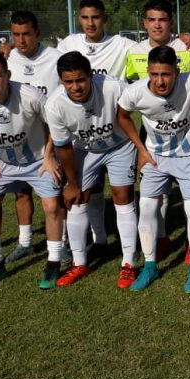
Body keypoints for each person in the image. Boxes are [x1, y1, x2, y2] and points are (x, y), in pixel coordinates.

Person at [117, 46, 190, 292]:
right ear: (147, 71)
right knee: (146, 207)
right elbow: (122, 115)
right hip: (155, 156)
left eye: (166, 74)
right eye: (154, 74)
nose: (160, 81)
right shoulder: (135, 92)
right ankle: (150, 266)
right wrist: (141, 149)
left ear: (177, 72)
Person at [0, 51, 64, 290]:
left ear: (7, 75)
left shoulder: (31, 96)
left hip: (38, 160)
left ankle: (54, 262)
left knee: (51, 206)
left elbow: (53, 123)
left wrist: (49, 156)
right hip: (3, 163)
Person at [45, 52, 139, 288]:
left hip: (120, 146)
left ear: (91, 75)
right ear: (60, 80)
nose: (76, 87)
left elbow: (138, 108)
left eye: (80, 80)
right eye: (68, 82)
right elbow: (64, 147)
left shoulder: (113, 87)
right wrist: (72, 183)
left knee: (122, 196)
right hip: (84, 150)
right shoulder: (54, 105)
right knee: (77, 199)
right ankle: (79, 263)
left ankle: (128, 263)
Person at [58, 0, 135, 251]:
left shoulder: (123, 44)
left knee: (118, 190)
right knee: (88, 190)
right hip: (83, 134)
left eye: (95, 17)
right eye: (85, 17)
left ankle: (115, 245)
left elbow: (151, 50)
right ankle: (95, 238)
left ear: (104, 18)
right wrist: (10, 50)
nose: (90, 23)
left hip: (113, 129)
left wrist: (182, 41)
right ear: (78, 18)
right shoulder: (68, 43)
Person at [123, 0, 190, 264]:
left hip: (186, 132)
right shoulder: (133, 51)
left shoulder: (187, 48)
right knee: (157, 191)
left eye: (162, 19)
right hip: (153, 133)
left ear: (171, 22)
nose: (157, 25)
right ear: (144, 23)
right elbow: (129, 91)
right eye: (152, 20)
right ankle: (162, 237)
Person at [3, 10, 65, 263]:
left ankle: (63, 245)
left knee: (56, 194)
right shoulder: (6, 60)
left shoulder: (55, 58)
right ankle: (25, 242)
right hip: (19, 139)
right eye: (16, 35)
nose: (21, 40)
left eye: (26, 34)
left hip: (51, 138)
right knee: (21, 192)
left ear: (37, 33)